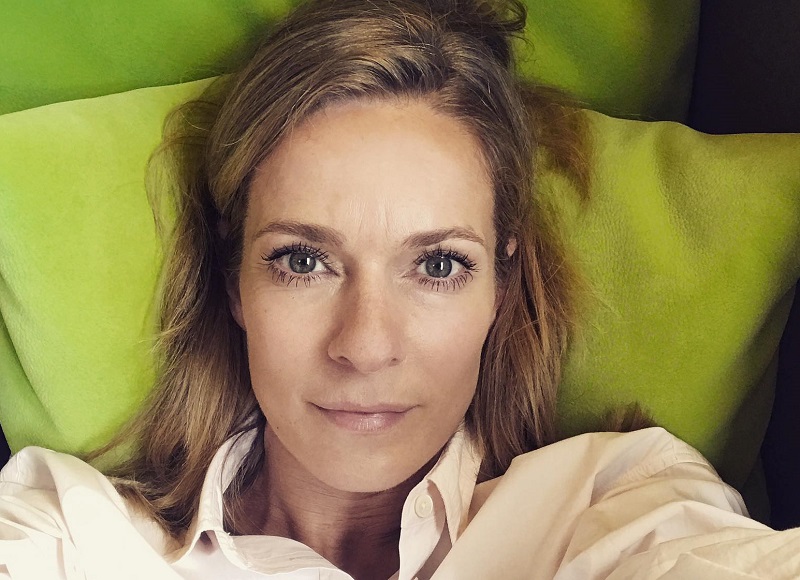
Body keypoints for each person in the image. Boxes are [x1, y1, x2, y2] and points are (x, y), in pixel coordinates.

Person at [1, 0, 800, 578]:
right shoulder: (75, 535)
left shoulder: (613, 504)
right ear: (234, 282)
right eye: (303, 261)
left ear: (501, 286)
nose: (366, 345)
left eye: (439, 265)